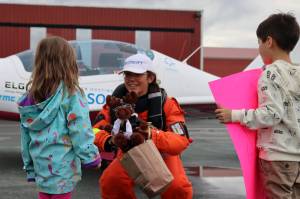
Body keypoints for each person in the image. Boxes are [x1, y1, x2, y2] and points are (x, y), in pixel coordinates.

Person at [215, 13, 300, 199]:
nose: (259, 48)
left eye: (259, 42)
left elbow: (271, 114)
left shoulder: (270, 74)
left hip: (278, 157)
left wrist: (234, 115)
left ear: (269, 41)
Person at [93, 53, 193, 199]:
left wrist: (152, 134)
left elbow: (180, 141)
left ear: (150, 78)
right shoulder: (115, 104)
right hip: (129, 153)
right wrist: (108, 140)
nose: (131, 79)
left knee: (177, 187)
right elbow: (94, 129)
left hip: (162, 153)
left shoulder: (167, 103)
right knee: (111, 181)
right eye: (127, 74)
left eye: (137, 74)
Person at [18, 36, 101, 199]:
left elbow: (25, 135)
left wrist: (29, 165)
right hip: (63, 168)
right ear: (68, 63)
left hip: (41, 166)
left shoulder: (30, 98)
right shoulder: (71, 95)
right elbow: (80, 129)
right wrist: (91, 157)